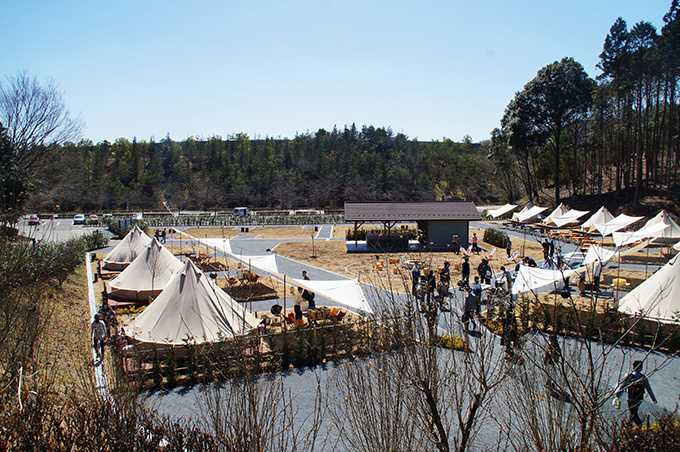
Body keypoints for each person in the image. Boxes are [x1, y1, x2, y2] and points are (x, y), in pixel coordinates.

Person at [614, 360, 657, 426]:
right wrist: (653, 399)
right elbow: (648, 388)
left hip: (630, 398)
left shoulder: (629, 376)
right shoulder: (643, 378)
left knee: (633, 413)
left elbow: (622, 386)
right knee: (633, 412)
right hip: (639, 399)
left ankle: (639, 426)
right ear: (640, 368)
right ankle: (630, 427)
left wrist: (617, 395)